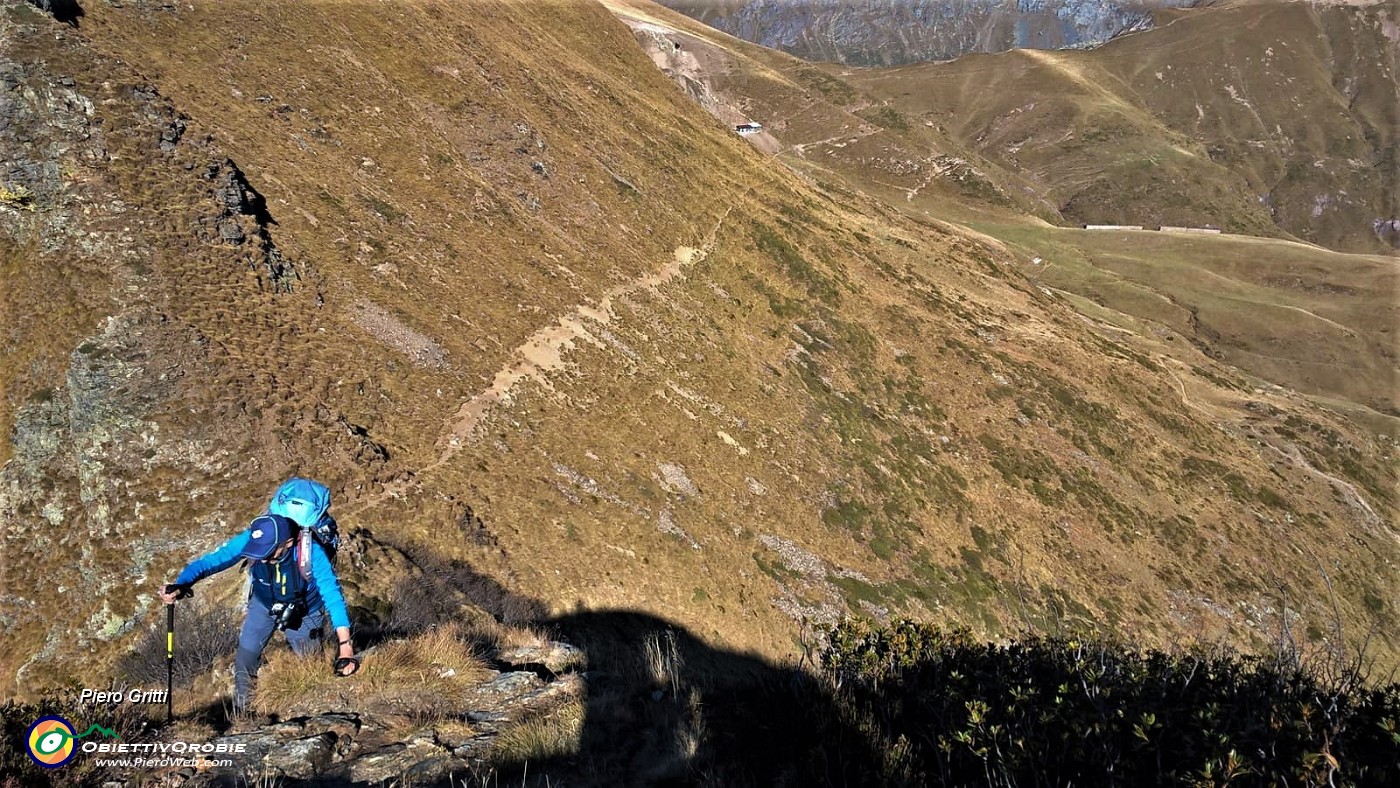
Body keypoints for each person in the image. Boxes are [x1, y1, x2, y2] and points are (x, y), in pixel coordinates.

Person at [159, 507, 359, 714]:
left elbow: (333, 597)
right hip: (263, 604)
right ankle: (244, 713)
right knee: (245, 659)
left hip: (305, 611)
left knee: (311, 663)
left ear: (288, 543)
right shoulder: (254, 539)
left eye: (269, 554)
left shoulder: (311, 553)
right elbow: (215, 559)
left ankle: (311, 706)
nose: (263, 559)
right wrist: (181, 584)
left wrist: (345, 645)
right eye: (259, 554)